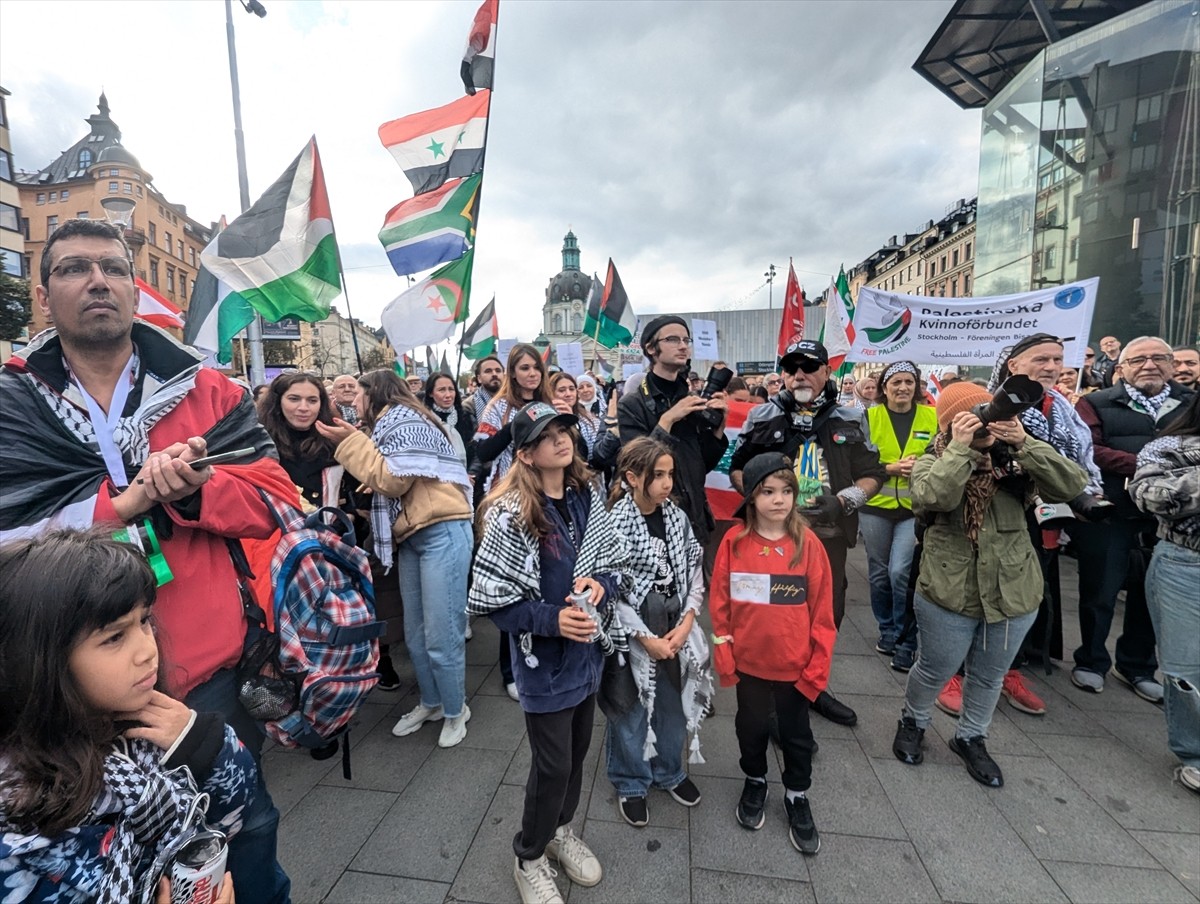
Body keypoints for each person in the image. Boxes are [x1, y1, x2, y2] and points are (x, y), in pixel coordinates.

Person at [0, 218, 292, 903]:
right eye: (73, 268)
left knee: (246, 831)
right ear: (43, 296)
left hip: (206, 670)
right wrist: (120, 507)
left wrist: (196, 491)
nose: (97, 281)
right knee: (98, 856)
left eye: (113, 268)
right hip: (64, 682)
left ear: (135, 289)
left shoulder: (210, 391)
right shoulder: (11, 405)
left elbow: (274, 504)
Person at [0, 530, 244, 902]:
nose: (147, 649)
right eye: (114, 637)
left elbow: (233, 820)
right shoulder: (20, 818)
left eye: (144, 620)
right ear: (40, 663)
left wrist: (204, 744)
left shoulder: (149, 725)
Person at [468, 402, 627, 904]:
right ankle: (529, 854)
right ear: (525, 454)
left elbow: (614, 560)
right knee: (553, 765)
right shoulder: (510, 514)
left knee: (576, 756)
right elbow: (493, 601)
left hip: (587, 655)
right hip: (544, 667)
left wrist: (601, 584)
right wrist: (551, 619)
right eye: (546, 435)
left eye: (564, 429)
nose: (561, 439)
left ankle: (558, 830)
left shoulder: (586, 494)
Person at [891, 382, 1087, 788]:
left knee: (989, 674)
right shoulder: (932, 460)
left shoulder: (1016, 459)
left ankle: (971, 736)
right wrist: (961, 449)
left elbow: (1071, 485)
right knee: (934, 668)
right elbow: (934, 497)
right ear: (948, 425)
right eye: (971, 418)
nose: (984, 426)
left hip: (1013, 588)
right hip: (948, 588)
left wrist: (1025, 443)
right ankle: (914, 721)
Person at [728, 339, 886, 727]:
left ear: (827, 371)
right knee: (771, 618)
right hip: (771, 540)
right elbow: (737, 469)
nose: (799, 374)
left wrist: (844, 501)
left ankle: (811, 686)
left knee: (826, 615)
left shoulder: (850, 417)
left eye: (809, 367)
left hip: (828, 538)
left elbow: (873, 474)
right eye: (791, 368)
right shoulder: (762, 415)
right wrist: (762, 502)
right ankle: (770, 700)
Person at [317, 370, 474, 747]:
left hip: (441, 531)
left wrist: (350, 442)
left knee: (441, 634)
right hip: (413, 535)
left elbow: (393, 480)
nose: (354, 402)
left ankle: (456, 710)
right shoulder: (388, 425)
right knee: (417, 636)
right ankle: (432, 702)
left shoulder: (405, 418)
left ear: (374, 394)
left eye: (358, 394)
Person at [710, 453, 835, 855]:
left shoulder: (808, 544)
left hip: (794, 668)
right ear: (751, 497)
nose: (778, 500)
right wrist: (724, 656)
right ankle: (755, 779)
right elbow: (720, 604)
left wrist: (816, 670)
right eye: (767, 492)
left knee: (796, 736)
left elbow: (822, 614)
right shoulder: (734, 542)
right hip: (748, 665)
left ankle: (797, 793)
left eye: (785, 491)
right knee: (750, 728)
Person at [256, 371, 402, 707]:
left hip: (333, 546)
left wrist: (351, 512)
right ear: (278, 402)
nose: (303, 407)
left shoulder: (333, 441)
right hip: (279, 551)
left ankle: (360, 668)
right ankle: (299, 688)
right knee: (291, 622)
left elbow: (360, 489)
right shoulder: (262, 446)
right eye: (294, 399)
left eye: (312, 400)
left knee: (342, 613)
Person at [1069, 336, 1193, 699]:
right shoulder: (1096, 402)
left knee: (1153, 593)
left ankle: (1137, 665)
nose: (1148, 365)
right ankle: (1091, 660)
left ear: (1171, 364)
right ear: (1121, 368)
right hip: (1112, 510)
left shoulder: (1191, 403)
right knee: (1100, 590)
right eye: (1138, 360)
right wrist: (1147, 464)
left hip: (1171, 516)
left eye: (1158, 358)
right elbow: (1088, 448)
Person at [605, 438, 712, 828]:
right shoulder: (613, 523)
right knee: (630, 710)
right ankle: (631, 780)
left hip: (674, 625)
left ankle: (669, 769)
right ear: (632, 477)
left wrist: (687, 622)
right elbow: (609, 590)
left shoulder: (676, 517)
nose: (667, 483)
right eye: (658, 475)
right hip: (632, 632)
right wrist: (643, 638)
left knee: (672, 705)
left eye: (670, 474)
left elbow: (694, 571)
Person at [475, 345, 557, 701]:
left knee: (547, 581)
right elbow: (482, 451)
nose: (532, 373)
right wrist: (516, 425)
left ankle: (546, 651)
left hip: (549, 498)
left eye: (536, 367)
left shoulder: (551, 404)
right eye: (524, 368)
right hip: (511, 503)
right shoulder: (498, 407)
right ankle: (510, 669)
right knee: (513, 585)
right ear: (512, 372)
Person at [1130, 391, 1200, 795]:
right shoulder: (1170, 446)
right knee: (1185, 666)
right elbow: (1148, 495)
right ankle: (1194, 753)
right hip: (1185, 563)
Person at [617, 316, 728, 550]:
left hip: (696, 521)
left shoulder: (691, 399)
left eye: (686, 340)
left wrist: (718, 430)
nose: (683, 346)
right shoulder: (633, 404)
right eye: (673, 339)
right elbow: (635, 465)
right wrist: (667, 420)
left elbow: (702, 465)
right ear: (651, 348)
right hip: (655, 525)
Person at [859, 361, 937, 673]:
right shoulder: (868, 416)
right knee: (879, 574)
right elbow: (858, 460)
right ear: (884, 387)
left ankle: (906, 639)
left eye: (909, 382)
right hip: (875, 505)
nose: (903, 387)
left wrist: (924, 465)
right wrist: (890, 468)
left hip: (913, 508)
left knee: (900, 572)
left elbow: (942, 455)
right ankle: (887, 629)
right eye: (896, 382)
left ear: (917, 386)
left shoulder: (931, 416)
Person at [425, 370, 474, 463]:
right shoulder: (424, 420)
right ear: (430, 393)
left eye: (451, 389)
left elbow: (475, 450)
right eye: (441, 390)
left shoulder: (466, 417)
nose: (448, 395)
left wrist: (472, 470)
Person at [550, 371, 599, 458]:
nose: (568, 394)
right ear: (551, 393)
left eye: (572, 389)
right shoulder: (548, 421)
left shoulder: (588, 418)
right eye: (562, 390)